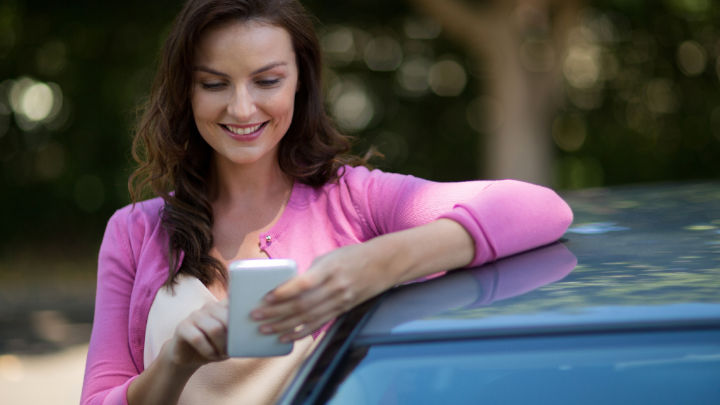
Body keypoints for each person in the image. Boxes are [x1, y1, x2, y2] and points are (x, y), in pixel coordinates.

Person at [80, 0, 573, 404]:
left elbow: (539, 208)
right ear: (186, 92)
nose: (242, 108)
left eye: (267, 81)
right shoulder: (135, 231)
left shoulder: (354, 201)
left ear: (301, 81)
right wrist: (174, 363)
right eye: (214, 84)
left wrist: (377, 263)